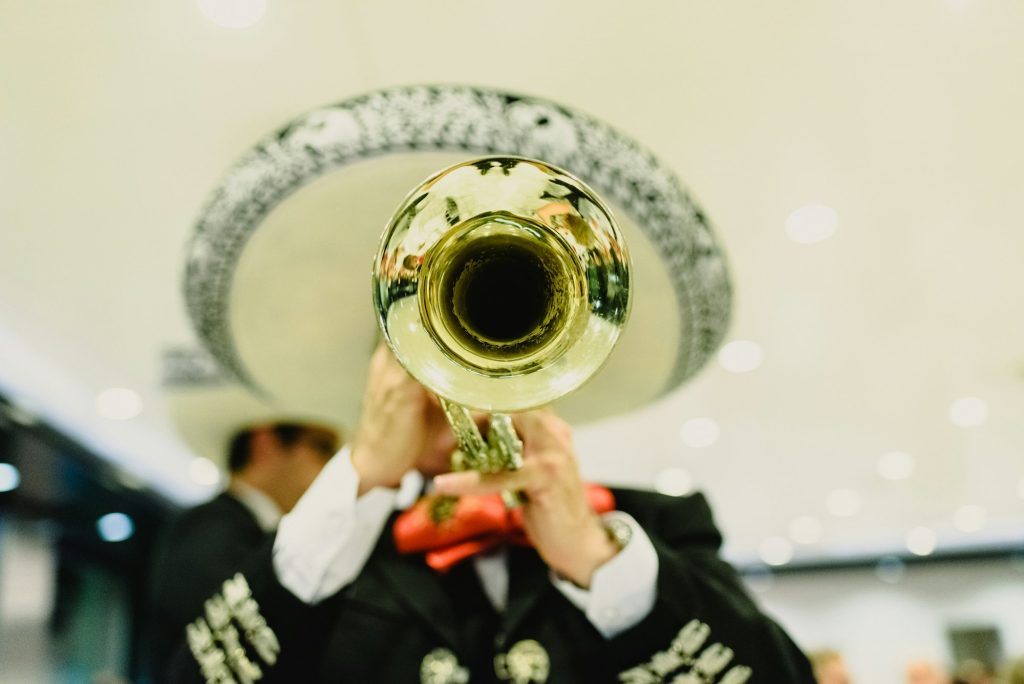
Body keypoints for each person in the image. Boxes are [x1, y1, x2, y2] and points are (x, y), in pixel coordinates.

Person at [165, 346, 815, 683]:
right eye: (436, 359)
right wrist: (361, 478)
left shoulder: (653, 524)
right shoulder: (327, 549)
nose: (468, 390)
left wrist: (595, 558)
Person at [147, 420, 339, 680]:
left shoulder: (236, 529)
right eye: (323, 449)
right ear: (265, 445)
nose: (330, 467)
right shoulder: (209, 526)